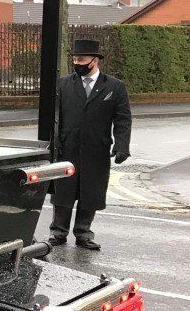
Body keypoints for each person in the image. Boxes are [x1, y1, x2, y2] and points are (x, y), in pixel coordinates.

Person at [49, 38, 132, 250]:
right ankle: (58, 232)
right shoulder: (64, 84)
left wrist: (122, 145)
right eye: (75, 59)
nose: (78, 63)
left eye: (82, 59)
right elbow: (54, 117)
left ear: (95, 60)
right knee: (63, 192)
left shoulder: (115, 87)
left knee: (91, 191)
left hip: (97, 150)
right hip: (67, 149)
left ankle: (83, 233)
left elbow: (122, 119)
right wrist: (52, 144)